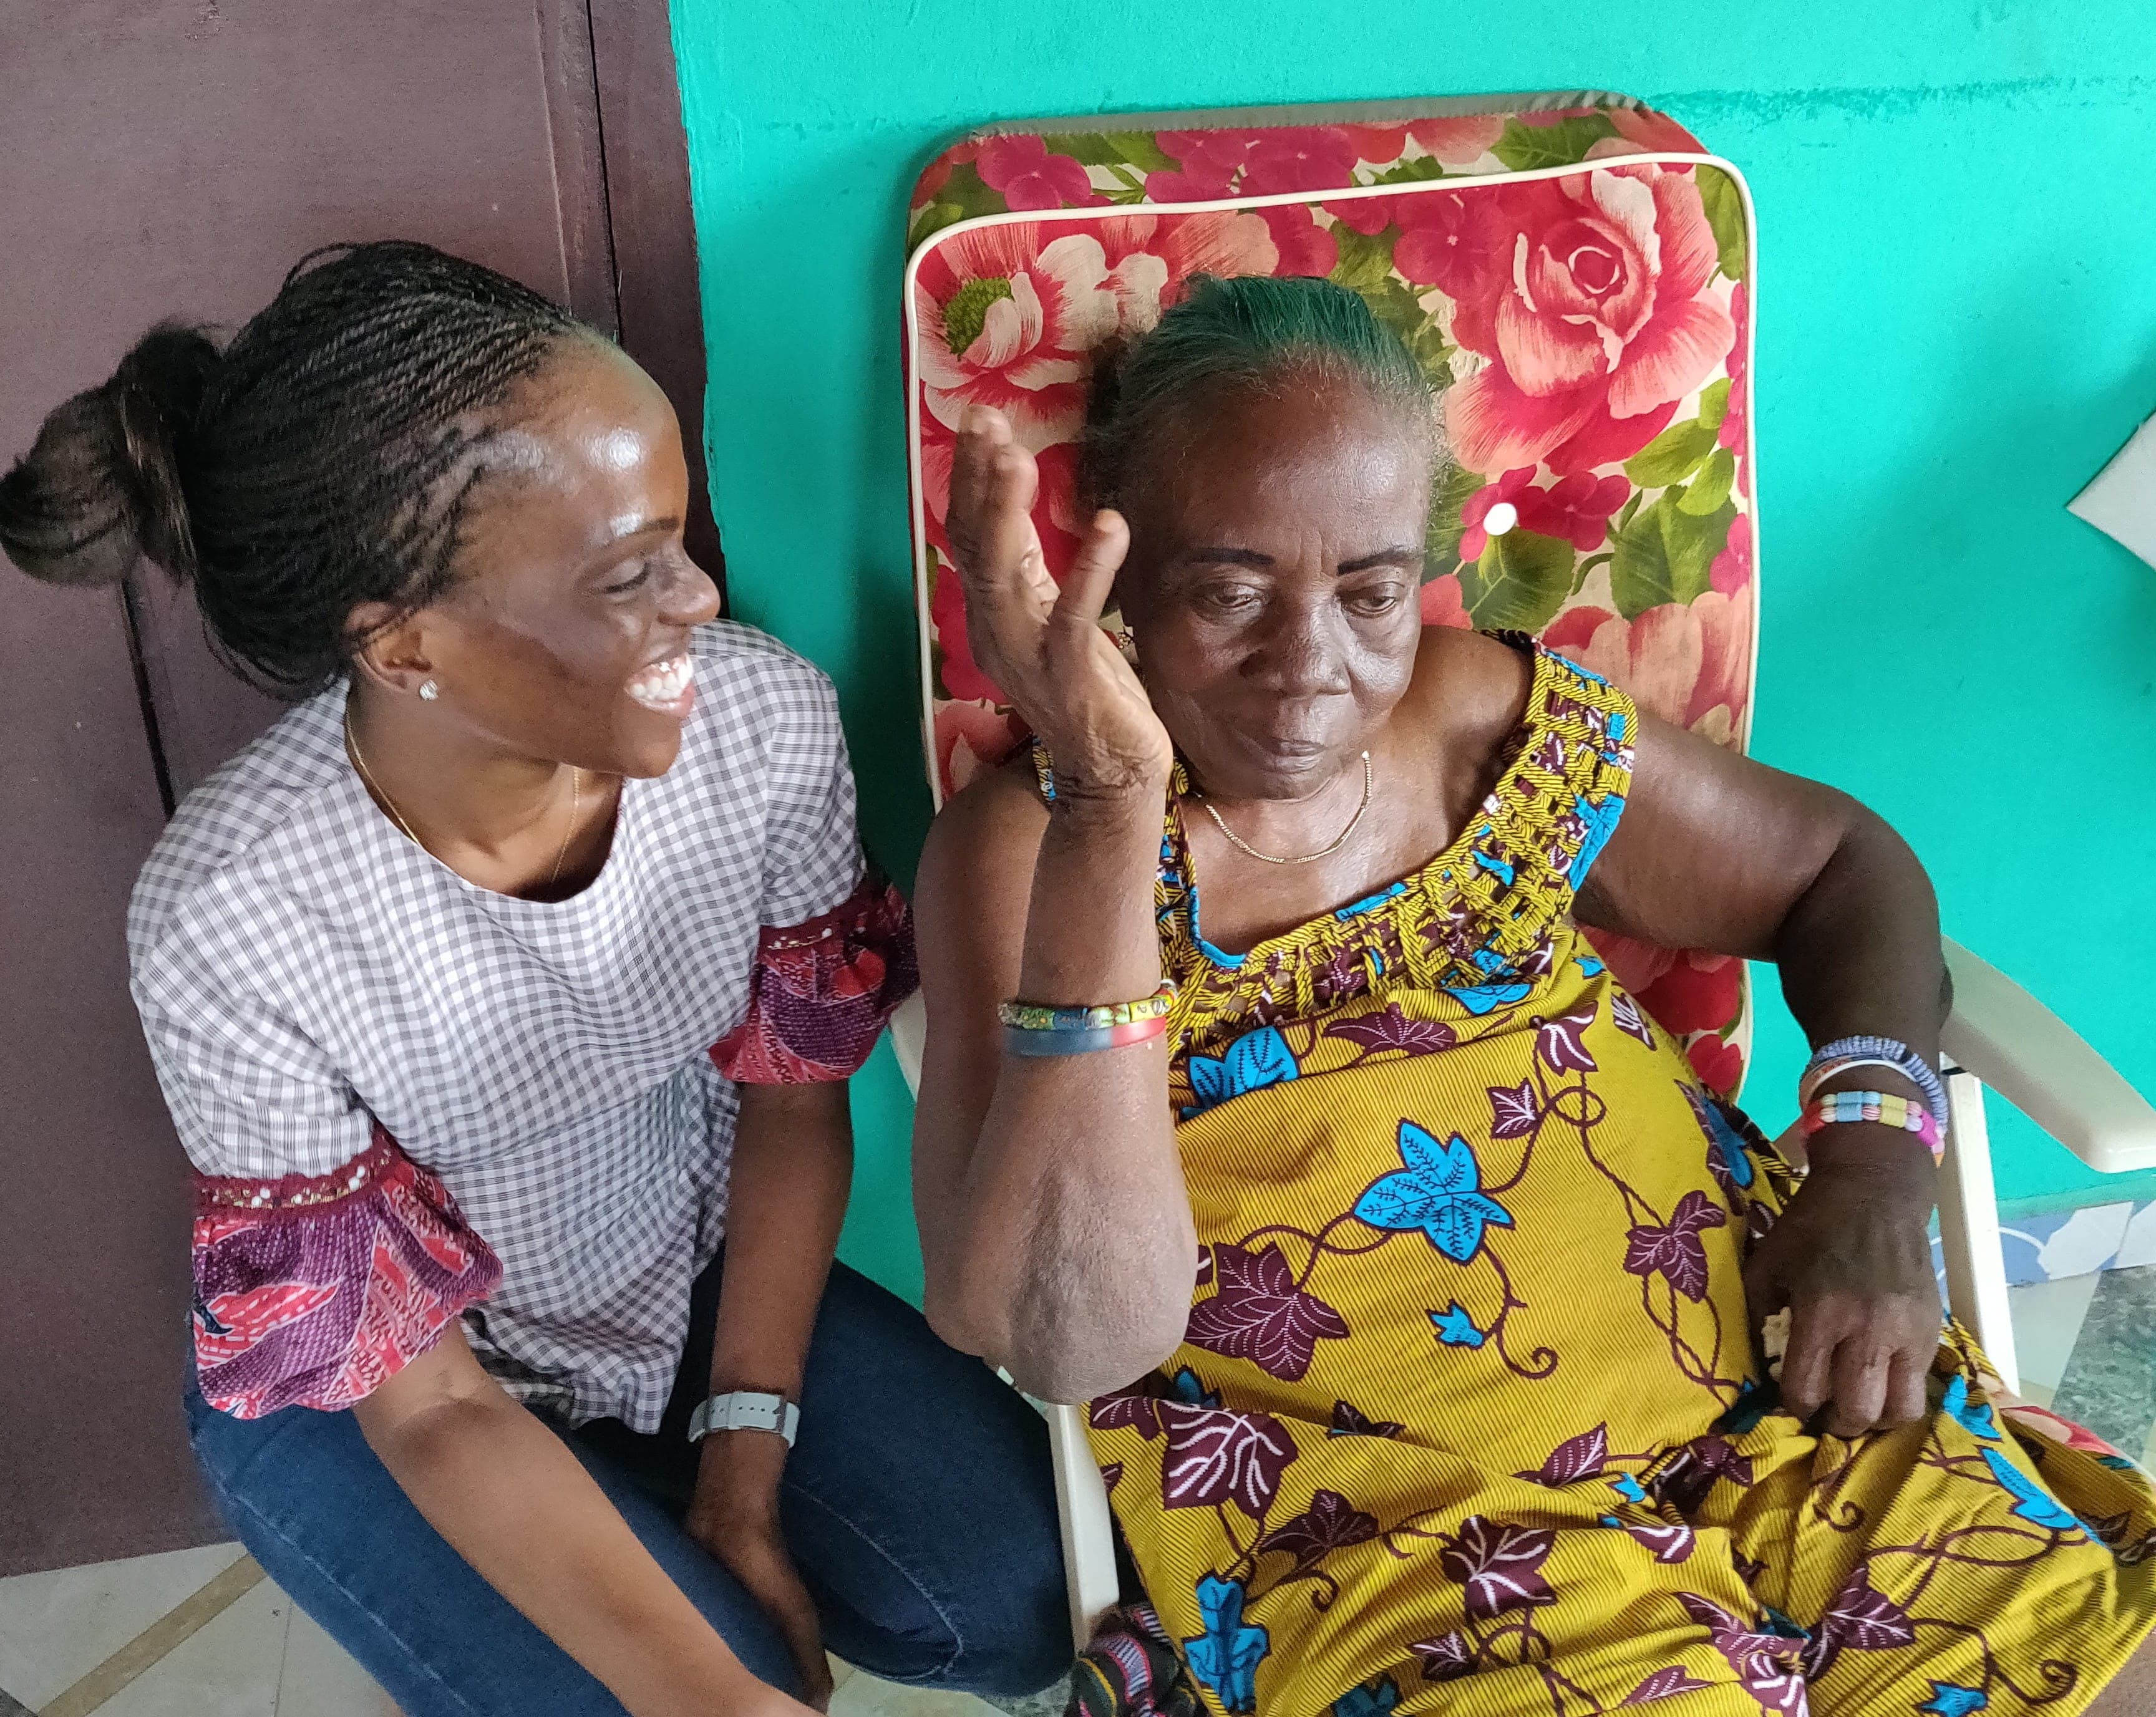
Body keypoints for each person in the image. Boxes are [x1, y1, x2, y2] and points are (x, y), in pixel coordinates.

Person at [910, 275, 2156, 1716]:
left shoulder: (1473, 720)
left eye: (1370, 591)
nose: (1308, 667)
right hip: (1411, 1529)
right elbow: (1072, 1336)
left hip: (1784, 1391)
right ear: (1114, 575)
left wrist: (1875, 1167)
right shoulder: (1033, 850)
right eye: (1229, 590)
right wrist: (1116, 806)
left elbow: (1838, 866)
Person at [0, 242, 1067, 1717]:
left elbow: (794, 1109)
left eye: (681, 542)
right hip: (384, 1386)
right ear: (407, 644)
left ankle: (648, 1500)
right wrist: (716, 1694)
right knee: (700, 1678)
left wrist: (742, 1471)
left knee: (1017, 1601)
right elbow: (427, 1404)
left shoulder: (757, 730)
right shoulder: (234, 917)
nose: (698, 599)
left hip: (668, 1267)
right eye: (629, 572)